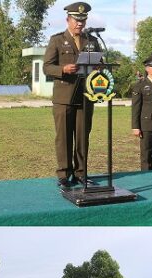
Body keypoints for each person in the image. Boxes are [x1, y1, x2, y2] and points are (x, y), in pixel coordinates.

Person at [42, 2, 102, 187]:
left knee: (83, 137)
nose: (80, 24)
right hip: (64, 98)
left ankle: (81, 173)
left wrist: (99, 67)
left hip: (85, 96)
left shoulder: (92, 41)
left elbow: (99, 62)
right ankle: (63, 174)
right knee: (64, 137)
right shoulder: (57, 40)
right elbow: (46, 67)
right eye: (76, 20)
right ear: (68, 19)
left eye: (83, 20)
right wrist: (63, 69)